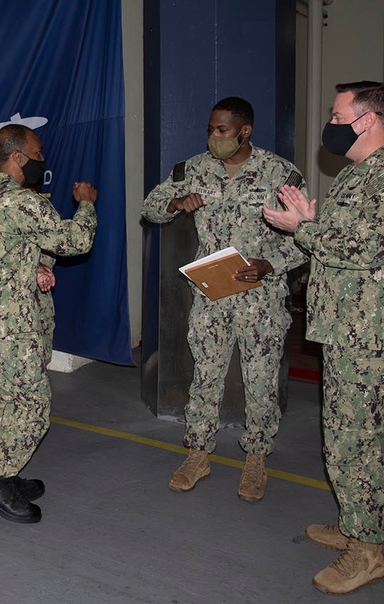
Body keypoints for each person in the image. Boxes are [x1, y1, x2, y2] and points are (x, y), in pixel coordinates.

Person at [263, 81, 384, 595]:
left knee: (357, 441)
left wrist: (301, 229)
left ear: (368, 120)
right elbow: (339, 244)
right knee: (340, 436)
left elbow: (366, 248)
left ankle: (367, 551)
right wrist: (311, 221)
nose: (330, 125)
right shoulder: (359, 177)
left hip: (369, 334)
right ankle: (355, 523)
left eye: (337, 116)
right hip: (344, 328)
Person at [142, 96, 307, 503]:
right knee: (206, 376)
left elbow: (306, 237)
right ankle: (198, 454)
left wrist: (271, 264)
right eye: (211, 129)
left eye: (222, 130)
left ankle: (255, 460)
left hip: (261, 298)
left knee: (261, 380)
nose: (214, 136)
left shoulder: (280, 173)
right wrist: (175, 203)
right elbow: (150, 207)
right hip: (212, 294)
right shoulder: (193, 169)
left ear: (244, 131)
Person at [0, 124, 97, 523]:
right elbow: (75, 241)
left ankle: (4, 470)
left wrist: (34, 264)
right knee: (31, 402)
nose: (42, 161)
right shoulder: (23, 202)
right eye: (37, 154)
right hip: (11, 327)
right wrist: (86, 204)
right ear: (18, 157)